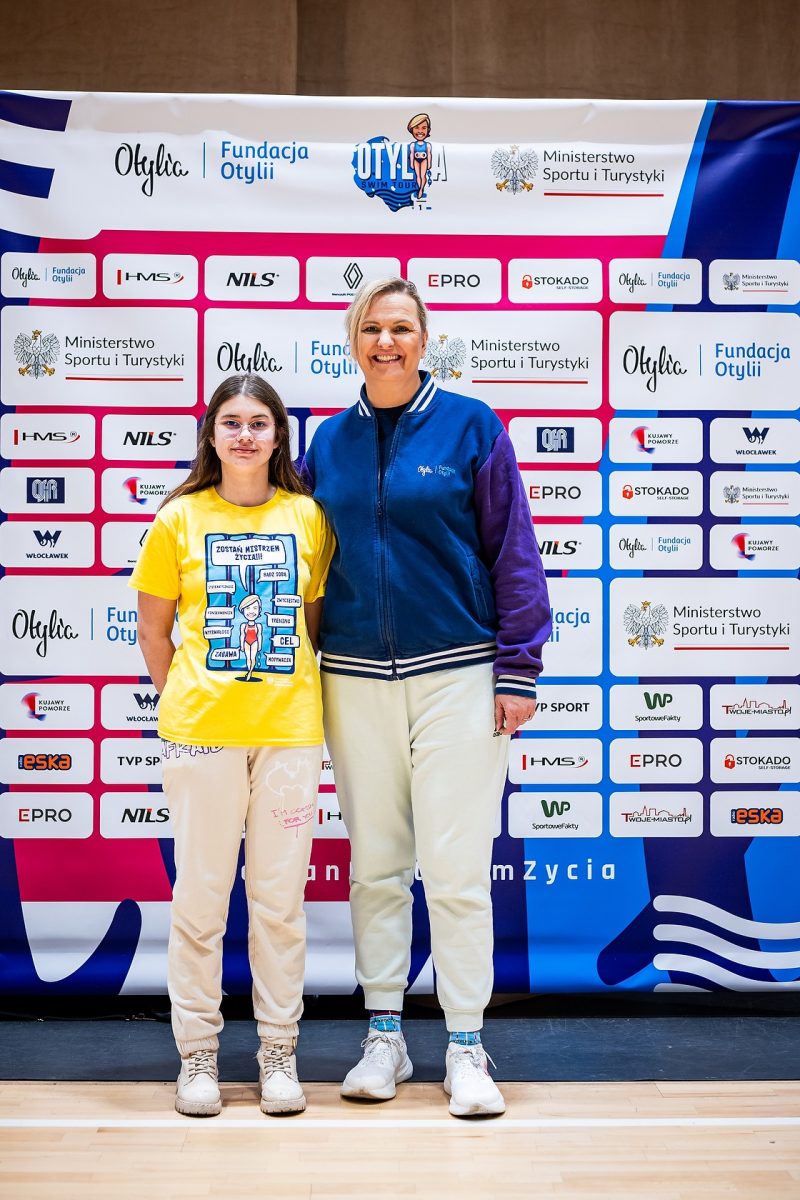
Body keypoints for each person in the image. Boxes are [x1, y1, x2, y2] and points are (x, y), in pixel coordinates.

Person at [302, 278, 551, 1118]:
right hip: (352, 680)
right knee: (375, 866)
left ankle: (467, 1047)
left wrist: (518, 668)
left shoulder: (472, 426)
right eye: (372, 327)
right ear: (353, 339)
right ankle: (385, 1038)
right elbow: (302, 559)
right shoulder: (328, 442)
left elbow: (513, 551)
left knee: (455, 872)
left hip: (459, 677)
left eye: (401, 328)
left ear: (424, 338)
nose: (386, 341)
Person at [131, 373, 334, 1118]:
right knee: (200, 901)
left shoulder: (308, 518)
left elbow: (313, 627)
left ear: (279, 436)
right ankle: (198, 1058)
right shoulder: (178, 520)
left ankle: (279, 1054)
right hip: (202, 739)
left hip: (288, 738)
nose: (245, 435)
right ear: (211, 435)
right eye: (231, 423)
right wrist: (187, 703)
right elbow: (154, 631)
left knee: (279, 905)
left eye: (259, 423)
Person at [407, 112, 432, 202]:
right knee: (418, 175)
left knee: (423, 175)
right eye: (416, 128)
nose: (420, 131)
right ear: (412, 130)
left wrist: (429, 164)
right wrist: (411, 163)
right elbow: (411, 154)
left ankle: (421, 188)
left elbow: (429, 154)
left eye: (424, 128)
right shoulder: (413, 145)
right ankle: (419, 188)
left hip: (424, 160)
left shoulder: (428, 145)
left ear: (428, 130)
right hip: (416, 161)